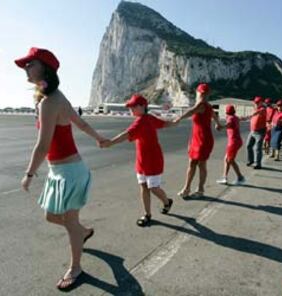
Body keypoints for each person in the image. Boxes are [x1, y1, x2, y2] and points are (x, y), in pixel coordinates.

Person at [15, 47, 105, 290]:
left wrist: (29, 175)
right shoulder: (56, 97)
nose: (26, 68)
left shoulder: (50, 102)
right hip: (61, 171)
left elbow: (43, 145)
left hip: (70, 173)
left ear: (44, 68)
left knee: (68, 220)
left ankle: (76, 268)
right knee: (51, 216)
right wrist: (98, 138)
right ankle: (82, 232)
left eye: (30, 64)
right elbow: (82, 123)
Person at [100, 94, 175, 227]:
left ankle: (167, 201)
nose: (130, 109)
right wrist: (174, 122)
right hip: (142, 160)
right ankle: (147, 214)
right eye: (130, 107)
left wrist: (110, 143)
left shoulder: (142, 121)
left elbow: (126, 134)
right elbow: (163, 123)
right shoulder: (148, 118)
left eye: (133, 106)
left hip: (153, 160)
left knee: (153, 187)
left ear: (142, 106)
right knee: (144, 186)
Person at [175, 83, 222, 198]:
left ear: (207, 95)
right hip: (196, 138)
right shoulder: (208, 106)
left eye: (205, 94)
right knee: (193, 163)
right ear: (198, 93)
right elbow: (214, 116)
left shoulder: (202, 105)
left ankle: (199, 190)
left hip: (203, 139)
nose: (203, 96)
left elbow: (191, 111)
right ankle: (187, 188)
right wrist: (218, 124)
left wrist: (179, 118)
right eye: (201, 93)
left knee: (200, 164)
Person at [216, 104, 245, 185]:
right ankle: (228, 177)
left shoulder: (231, 118)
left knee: (229, 160)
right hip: (237, 141)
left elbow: (227, 124)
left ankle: (239, 177)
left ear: (226, 112)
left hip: (233, 142)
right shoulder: (235, 117)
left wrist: (220, 126)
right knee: (228, 159)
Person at [245, 96, 266, 169]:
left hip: (260, 132)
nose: (256, 104)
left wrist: (250, 115)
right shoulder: (255, 108)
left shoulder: (263, 109)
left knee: (257, 148)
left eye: (257, 102)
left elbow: (258, 112)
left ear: (261, 102)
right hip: (252, 131)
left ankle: (258, 164)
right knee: (248, 145)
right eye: (255, 102)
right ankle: (250, 160)